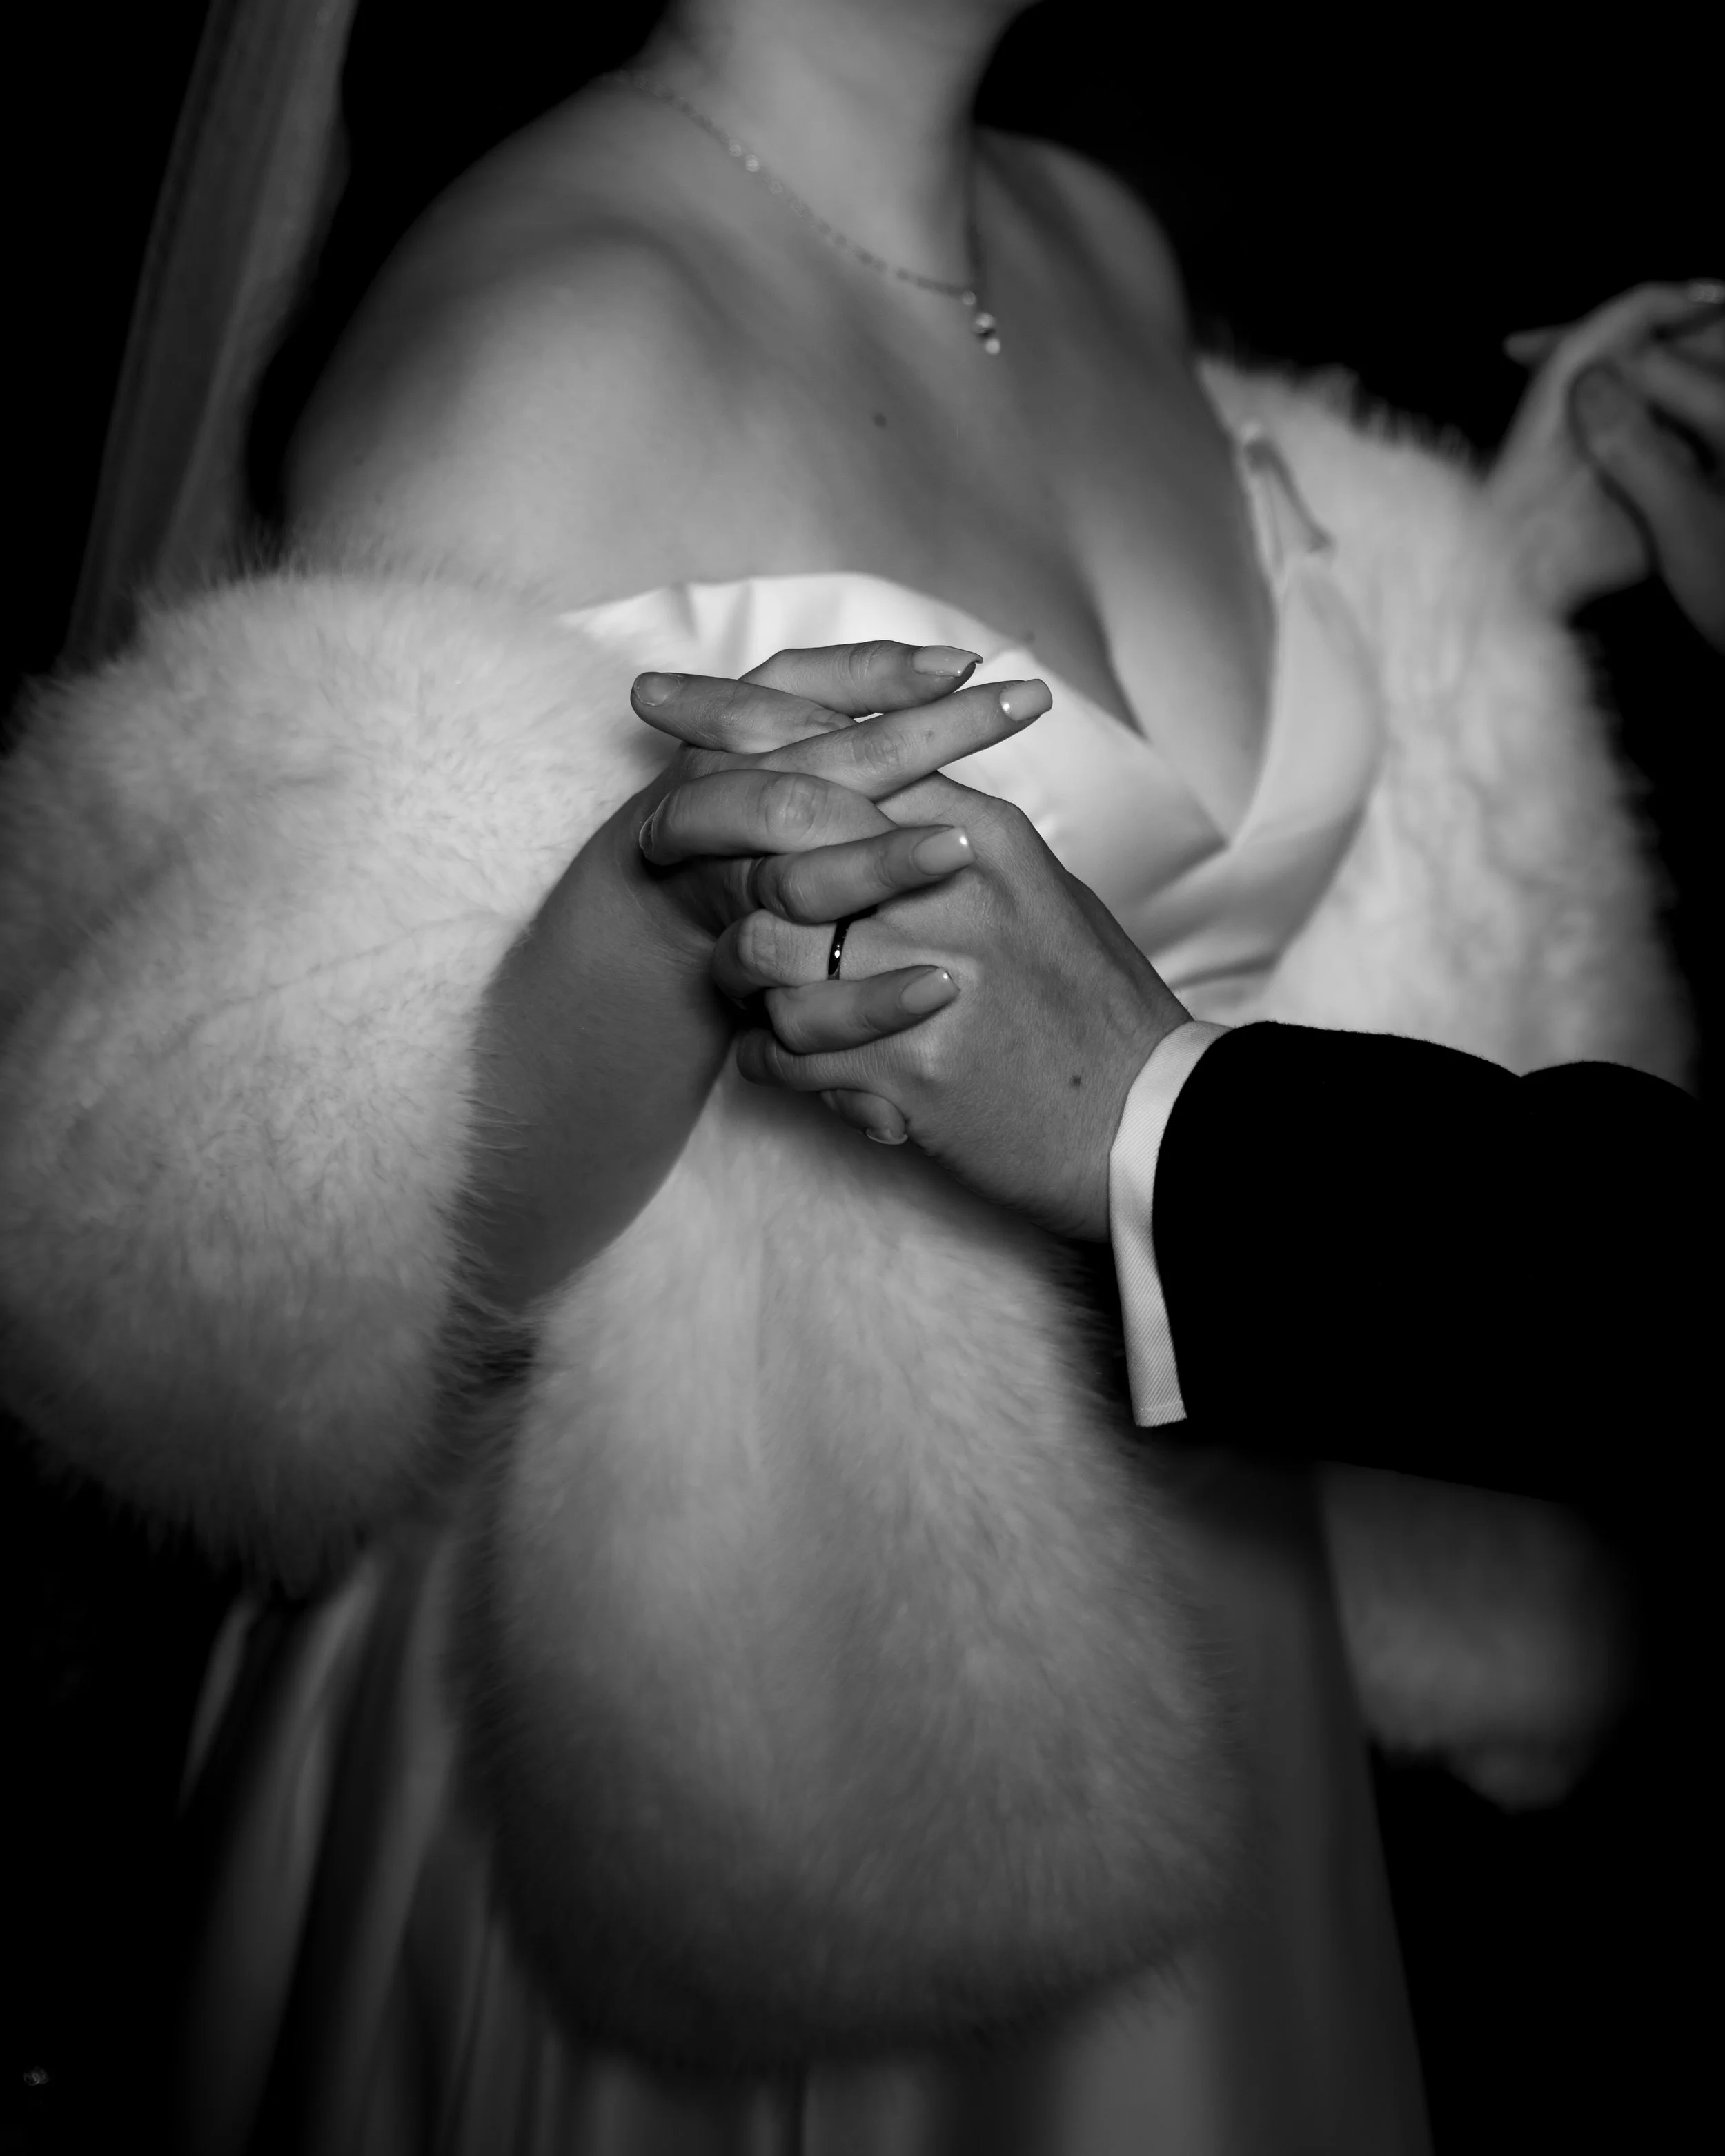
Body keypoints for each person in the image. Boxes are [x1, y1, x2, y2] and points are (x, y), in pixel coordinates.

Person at [0, 0, 1715, 2144]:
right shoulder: (549, 336)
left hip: (1216, 1662)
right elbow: (321, 1308)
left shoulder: (1086, 234)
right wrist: (653, 923)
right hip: (752, 1720)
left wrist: (1471, 576)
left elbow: (1212, 881)